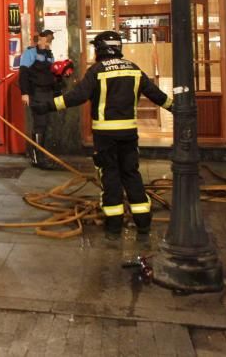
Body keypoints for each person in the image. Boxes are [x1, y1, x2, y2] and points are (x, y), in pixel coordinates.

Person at [32, 31, 172, 237]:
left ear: (100, 49)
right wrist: (178, 108)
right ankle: (143, 223)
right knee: (131, 174)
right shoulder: (134, 69)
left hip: (105, 136)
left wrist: (47, 106)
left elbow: (77, 96)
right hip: (129, 135)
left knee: (111, 177)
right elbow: (157, 95)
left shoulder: (97, 70)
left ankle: (114, 226)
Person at [19, 29, 58, 169]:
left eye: (50, 40)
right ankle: (36, 158)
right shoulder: (30, 53)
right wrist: (25, 93)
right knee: (39, 124)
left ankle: (41, 154)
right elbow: (23, 74)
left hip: (47, 93)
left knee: (45, 124)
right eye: (47, 40)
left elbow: (50, 73)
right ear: (40, 39)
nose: (49, 43)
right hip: (36, 93)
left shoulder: (49, 54)